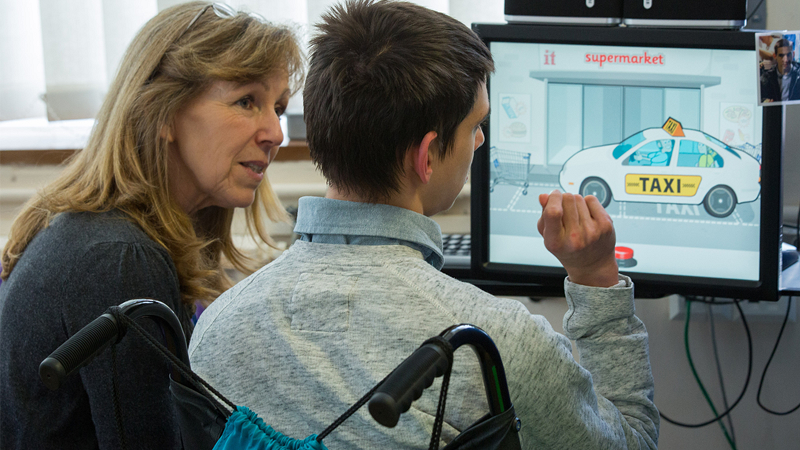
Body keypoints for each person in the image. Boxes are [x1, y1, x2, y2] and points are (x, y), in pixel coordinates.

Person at [189, 1, 659, 448]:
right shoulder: (492, 346)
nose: (479, 141)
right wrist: (596, 279)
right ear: (427, 155)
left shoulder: (215, 331)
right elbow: (631, 441)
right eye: (475, 125)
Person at [0, 2, 303, 449]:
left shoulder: (98, 233)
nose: (275, 133)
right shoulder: (120, 259)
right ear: (163, 113)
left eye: (277, 107)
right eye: (246, 101)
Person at [760, 38, 800, 103]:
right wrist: (764, 101)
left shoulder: (798, 75)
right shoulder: (766, 78)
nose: (785, 60)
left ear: (793, 54)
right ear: (775, 56)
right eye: (781, 55)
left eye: (788, 54)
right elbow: (760, 97)